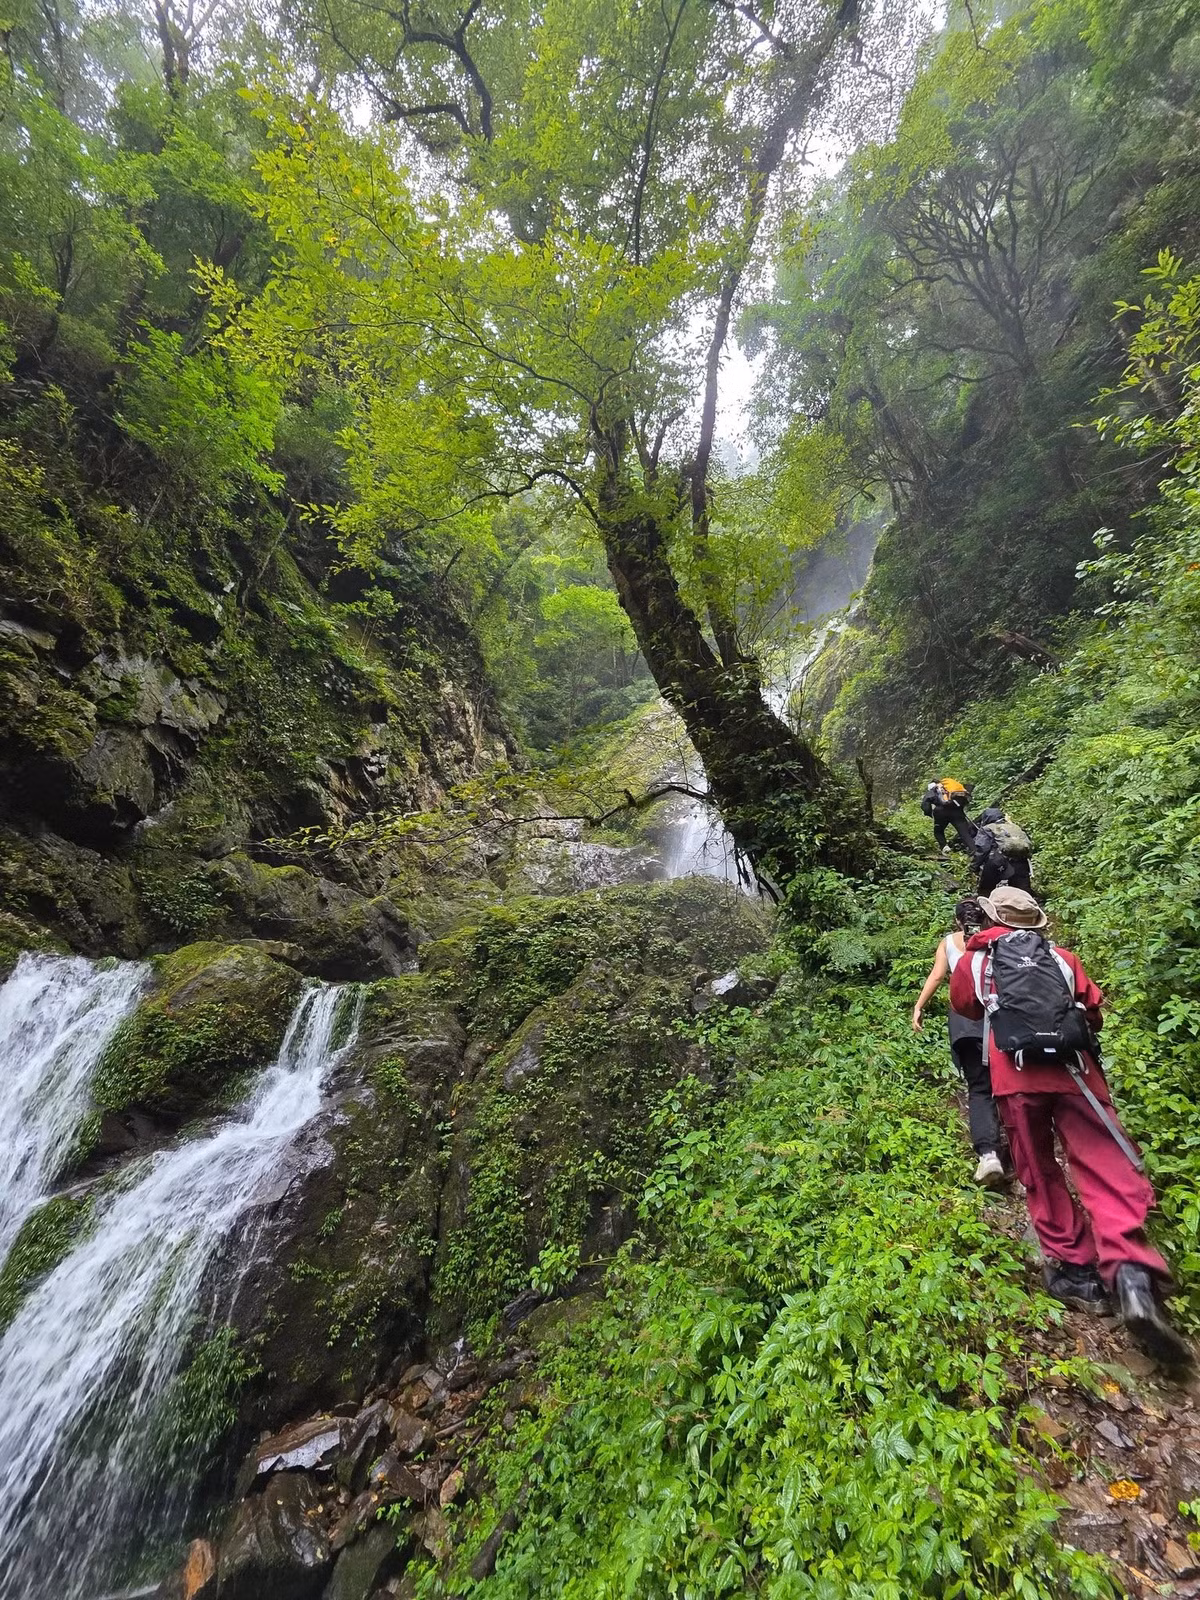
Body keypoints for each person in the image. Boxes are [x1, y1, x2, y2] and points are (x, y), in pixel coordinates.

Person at [949, 886, 1191, 1365]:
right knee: (1104, 1162)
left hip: (1014, 1077)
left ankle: (1077, 1271)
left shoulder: (976, 961)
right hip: (1076, 1075)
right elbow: (1092, 1012)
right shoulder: (1062, 958)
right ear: (1036, 922)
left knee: (1038, 1168)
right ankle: (1130, 1274)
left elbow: (966, 1007)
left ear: (993, 918)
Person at [912, 896, 1009, 1188]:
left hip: (965, 1019)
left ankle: (989, 1154)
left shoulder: (948, 942)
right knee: (1009, 1079)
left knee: (979, 1087)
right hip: (1001, 1016)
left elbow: (938, 975)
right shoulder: (999, 939)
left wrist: (919, 1006)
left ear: (957, 921)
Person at [971, 806, 1033, 897]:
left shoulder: (987, 828)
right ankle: (1028, 907)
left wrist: (974, 867)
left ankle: (985, 905)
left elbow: (982, 849)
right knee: (1023, 892)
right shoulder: (1014, 827)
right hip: (1021, 861)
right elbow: (1028, 845)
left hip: (997, 861)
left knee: (986, 890)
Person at [920, 779, 976, 853]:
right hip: (957, 810)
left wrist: (929, 813)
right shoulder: (950, 786)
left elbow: (925, 803)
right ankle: (974, 851)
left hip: (941, 812)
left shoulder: (934, 789)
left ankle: (945, 847)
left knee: (938, 831)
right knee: (964, 833)